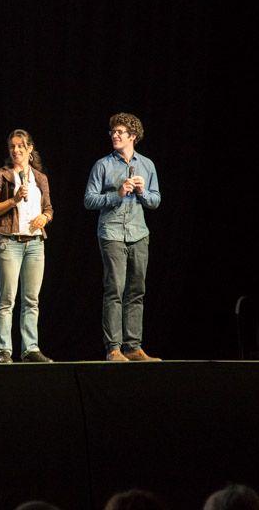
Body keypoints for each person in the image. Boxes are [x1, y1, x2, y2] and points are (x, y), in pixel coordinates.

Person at [84, 112, 162, 362]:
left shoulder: (147, 165)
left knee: (137, 290)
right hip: (112, 233)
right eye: (113, 132)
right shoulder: (103, 165)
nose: (114, 136)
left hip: (139, 233)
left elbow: (155, 200)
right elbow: (89, 199)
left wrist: (142, 192)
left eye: (120, 132)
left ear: (133, 136)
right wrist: (117, 194)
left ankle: (133, 347)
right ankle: (113, 349)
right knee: (115, 290)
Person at [0, 129, 54, 363]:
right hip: (9, 243)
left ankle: (30, 349)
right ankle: (3, 351)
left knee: (31, 299)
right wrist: (14, 199)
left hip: (35, 244)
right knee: (7, 298)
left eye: (20, 146)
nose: (16, 150)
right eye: (12, 146)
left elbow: (49, 208)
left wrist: (45, 217)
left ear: (30, 149)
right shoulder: (1, 176)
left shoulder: (40, 178)